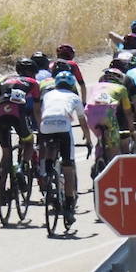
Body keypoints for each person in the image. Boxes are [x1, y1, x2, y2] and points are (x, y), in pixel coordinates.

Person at [38, 71, 91, 225]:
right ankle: (68, 207)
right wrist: (88, 140)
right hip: (63, 128)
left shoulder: (48, 95)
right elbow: (82, 121)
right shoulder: (74, 97)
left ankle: (48, 171)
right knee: (68, 169)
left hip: (45, 126)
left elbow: (43, 112)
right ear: (72, 85)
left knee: (51, 145)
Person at [0, 58, 42, 194]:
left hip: (0, 113)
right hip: (18, 113)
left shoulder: (3, 80)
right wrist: (40, 128)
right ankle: (21, 168)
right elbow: (37, 110)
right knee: (29, 142)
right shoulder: (34, 83)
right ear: (32, 72)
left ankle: (2, 189)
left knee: (6, 152)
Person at [85, 66, 132, 161]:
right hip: (107, 114)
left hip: (89, 113)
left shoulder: (95, 86)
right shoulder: (121, 88)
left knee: (100, 137)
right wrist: (131, 127)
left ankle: (98, 161)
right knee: (113, 146)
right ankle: (111, 166)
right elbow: (127, 111)